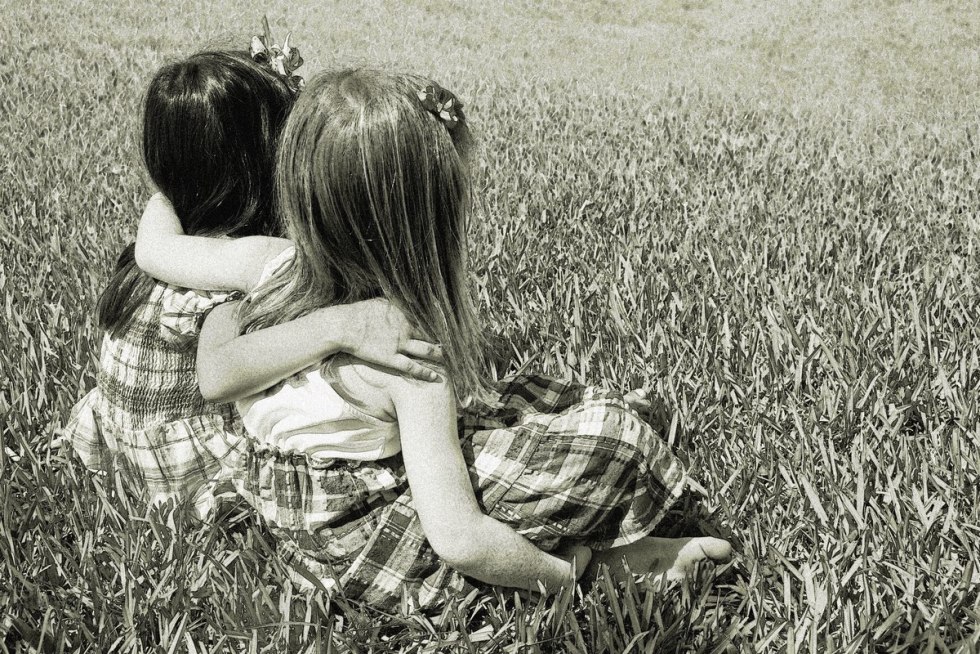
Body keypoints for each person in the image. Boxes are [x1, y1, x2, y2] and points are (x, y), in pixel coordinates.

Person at [139, 68, 732, 611]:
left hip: (292, 528)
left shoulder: (268, 267)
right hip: (371, 547)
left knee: (524, 409)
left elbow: (166, 274)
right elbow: (459, 539)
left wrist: (170, 186)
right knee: (611, 435)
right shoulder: (405, 360)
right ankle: (610, 566)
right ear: (429, 228)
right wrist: (569, 579)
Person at [64, 51, 441, 520]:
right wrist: (343, 323)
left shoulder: (170, 246)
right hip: (187, 472)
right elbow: (220, 376)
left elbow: (150, 235)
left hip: (121, 446)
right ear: (266, 162)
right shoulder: (257, 257)